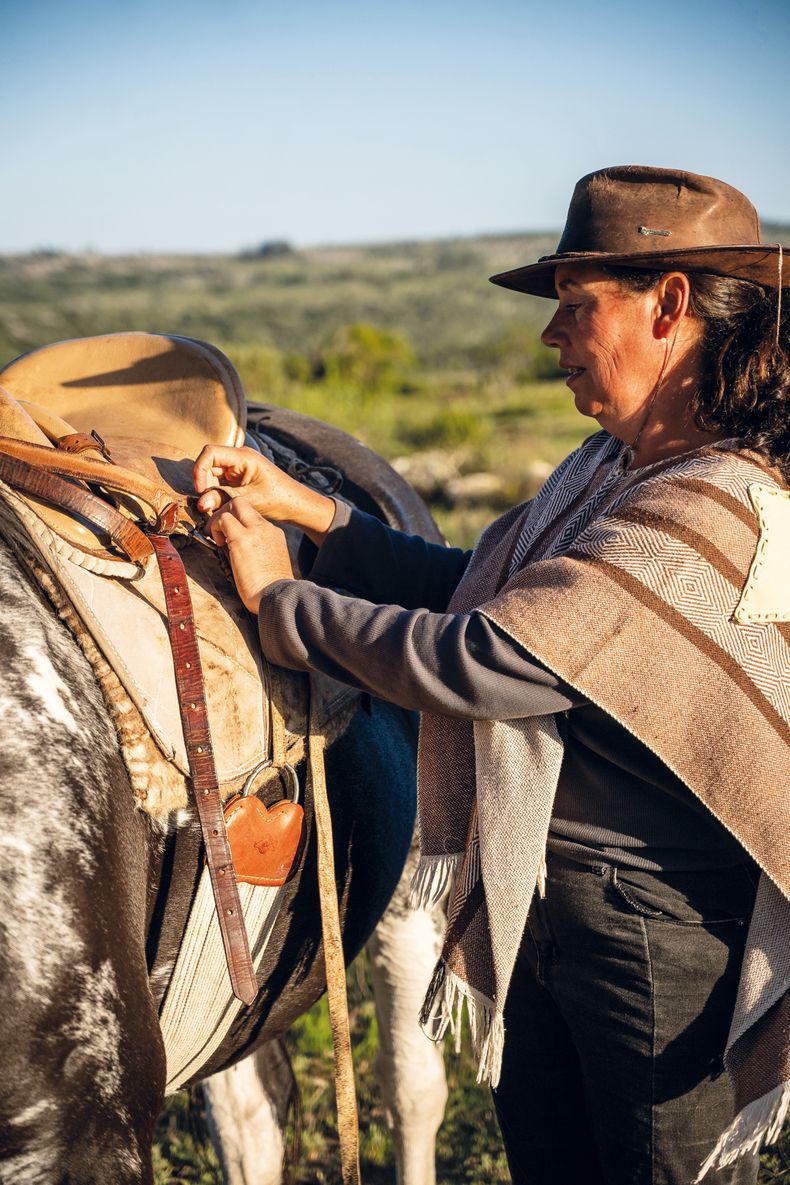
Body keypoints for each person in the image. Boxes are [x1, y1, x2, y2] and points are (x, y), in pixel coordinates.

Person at [193, 165, 790, 1185]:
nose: (548, 339)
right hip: (550, 911)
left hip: (654, 937)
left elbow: (488, 660)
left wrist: (276, 602)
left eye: (573, 307)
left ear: (671, 304)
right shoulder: (606, 471)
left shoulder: (713, 501)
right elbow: (476, 591)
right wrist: (312, 514)